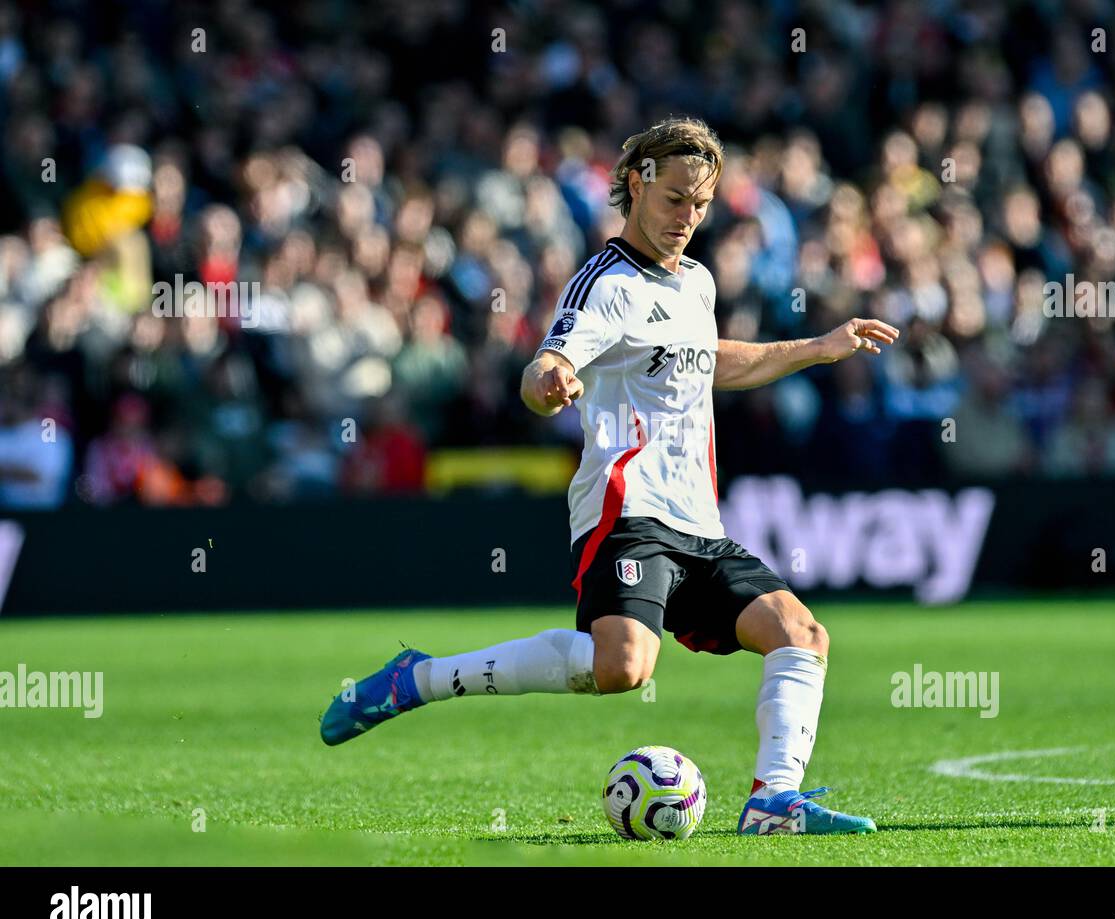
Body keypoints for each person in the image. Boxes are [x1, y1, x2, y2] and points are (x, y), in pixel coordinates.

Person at [320, 117, 900, 836]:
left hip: (700, 525)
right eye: (675, 200)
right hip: (627, 511)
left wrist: (817, 346)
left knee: (802, 634)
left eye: (701, 204)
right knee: (625, 667)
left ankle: (772, 802)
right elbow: (549, 363)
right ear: (637, 185)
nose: (688, 217)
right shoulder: (605, 283)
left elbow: (710, 361)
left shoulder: (696, 281)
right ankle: (421, 679)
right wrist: (549, 382)